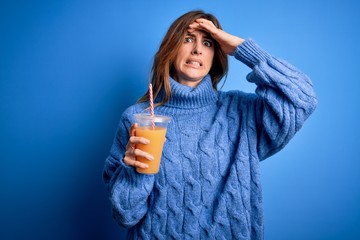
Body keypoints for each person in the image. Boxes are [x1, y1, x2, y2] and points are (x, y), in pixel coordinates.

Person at [103, 10, 317, 239]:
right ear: (171, 48)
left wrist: (242, 49)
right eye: (187, 39)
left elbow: (303, 100)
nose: (197, 49)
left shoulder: (242, 112)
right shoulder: (137, 118)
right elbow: (126, 215)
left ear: (216, 55)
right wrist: (135, 173)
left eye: (208, 43)